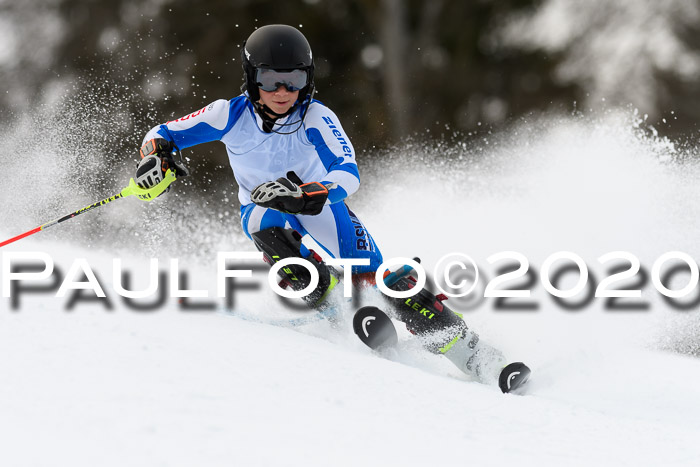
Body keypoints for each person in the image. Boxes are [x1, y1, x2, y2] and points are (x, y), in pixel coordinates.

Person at [134, 24, 383, 307]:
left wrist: (311, 194)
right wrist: (155, 155)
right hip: (261, 207)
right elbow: (161, 133)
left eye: (294, 79)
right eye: (269, 79)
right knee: (265, 226)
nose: (282, 91)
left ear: (308, 78)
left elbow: (348, 172)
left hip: (316, 204)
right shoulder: (228, 114)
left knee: (373, 276)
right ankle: (327, 299)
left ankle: (436, 328)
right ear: (253, 79)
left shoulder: (314, 116)